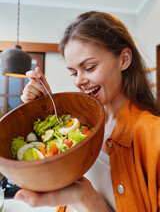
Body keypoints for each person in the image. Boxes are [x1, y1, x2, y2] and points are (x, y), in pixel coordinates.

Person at [14, 11, 160, 212]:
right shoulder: (82, 125)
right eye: (73, 72)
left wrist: (86, 197)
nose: (78, 81)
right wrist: (43, 109)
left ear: (124, 60)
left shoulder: (154, 136)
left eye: (89, 67)